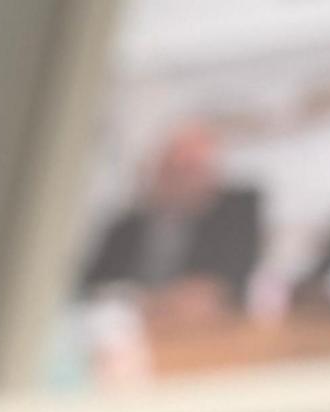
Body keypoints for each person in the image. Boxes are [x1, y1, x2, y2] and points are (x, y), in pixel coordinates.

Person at [77, 119, 268, 327]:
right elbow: (92, 287)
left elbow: (229, 282)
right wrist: (147, 302)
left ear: (212, 174)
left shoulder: (237, 213)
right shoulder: (126, 226)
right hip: (133, 330)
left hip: (208, 333)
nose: (182, 180)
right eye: (172, 169)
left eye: (191, 169)